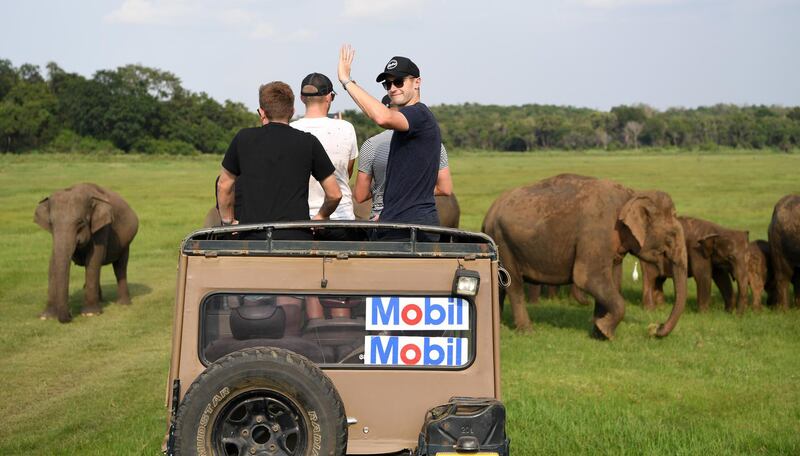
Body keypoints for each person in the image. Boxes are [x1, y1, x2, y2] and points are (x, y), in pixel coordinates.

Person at [337, 45, 441, 239]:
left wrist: (347, 81)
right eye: (388, 84)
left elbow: (382, 117)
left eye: (399, 82)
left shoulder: (419, 114)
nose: (393, 88)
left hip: (413, 227)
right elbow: (373, 113)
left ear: (417, 82)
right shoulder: (406, 123)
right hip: (396, 221)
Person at [216, 81, 341, 240]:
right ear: (292, 111)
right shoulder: (309, 142)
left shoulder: (243, 138)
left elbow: (224, 185)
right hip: (297, 239)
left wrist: (228, 222)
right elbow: (335, 194)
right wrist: (321, 216)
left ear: (262, 112)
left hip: (252, 238)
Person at [354, 95, 452, 221]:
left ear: (385, 109)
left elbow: (360, 196)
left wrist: (379, 189)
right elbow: (446, 188)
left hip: (382, 217)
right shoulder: (435, 143)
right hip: (420, 215)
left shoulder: (371, 145)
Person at [291, 72, 359, 221]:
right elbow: (348, 170)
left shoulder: (290, 129)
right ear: (329, 97)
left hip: (302, 217)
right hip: (341, 216)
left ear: (302, 98)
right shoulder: (346, 128)